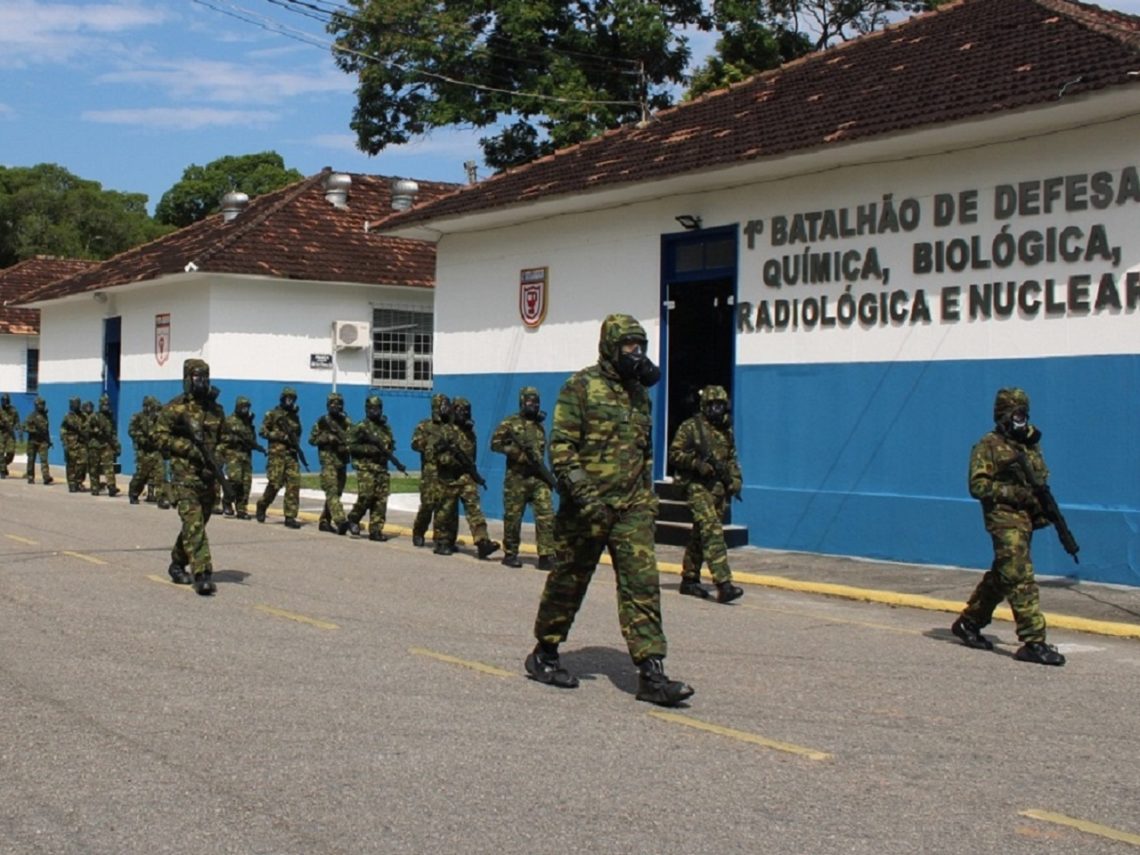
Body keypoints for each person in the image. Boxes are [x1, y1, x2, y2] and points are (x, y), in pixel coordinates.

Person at [525, 313, 694, 706]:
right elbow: (562, 449)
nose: (636, 355)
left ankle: (652, 673)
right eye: (628, 348)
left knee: (642, 587)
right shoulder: (580, 387)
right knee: (569, 581)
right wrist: (584, 495)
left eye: (641, 347)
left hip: (631, 508)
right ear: (609, 348)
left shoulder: (640, 394)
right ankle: (545, 653)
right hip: (586, 508)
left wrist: (648, 501)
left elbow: (643, 451)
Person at [951, 387, 1066, 666]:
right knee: (1020, 574)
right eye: (1016, 413)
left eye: (1024, 413)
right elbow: (978, 486)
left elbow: (1039, 479)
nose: (1021, 418)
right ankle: (1033, 641)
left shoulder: (1028, 444)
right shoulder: (987, 445)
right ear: (1003, 414)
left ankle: (969, 622)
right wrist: (1015, 494)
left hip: (1026, 518)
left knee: (1004, 574)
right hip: (1003, 518)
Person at [154, 358, 225, 596]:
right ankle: (202, 573)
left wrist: (218, 462)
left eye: (205, 377)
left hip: (207, 477)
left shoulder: (216, 410)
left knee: (197, 524)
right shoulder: (175, 408)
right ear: (187, 379)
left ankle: (177, 563)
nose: (201, 382)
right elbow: (160, 438)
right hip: (184, 476)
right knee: (193, 522)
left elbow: (225, 441)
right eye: (196, 378)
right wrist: (188, 449)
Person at [668, 385, 744, 604]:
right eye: (712, 405)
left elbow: (731, 458)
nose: (716, 410)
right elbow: (674, 454)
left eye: (720, 405)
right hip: (696, 486)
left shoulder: (725, 430)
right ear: (704, 406)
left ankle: (689, 579)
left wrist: (735, 480)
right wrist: (696, 464)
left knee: (700, 534)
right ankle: (724, 584)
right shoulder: (691, 427)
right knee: (712, 531)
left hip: (718, 489)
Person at [491, 386, 555, 570]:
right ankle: (510, 553)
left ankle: (546, 555)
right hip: (516, 479)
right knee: (513, 517)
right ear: (522, 402)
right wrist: (514, 452)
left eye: (536, 402)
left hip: (538, 479)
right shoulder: (509, 423)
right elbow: (495, 444)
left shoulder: (540, 427)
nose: (533, 405)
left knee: (546, 516)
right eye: (529, 401)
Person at [439, 396, 500, 559]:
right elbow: (437, 456)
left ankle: (482, 542)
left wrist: (471, 471)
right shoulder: (445, 430)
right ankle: (444, 542)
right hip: (449, 477)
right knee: (447, 511)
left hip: (466, 477)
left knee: (474, 509)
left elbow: (471, 457)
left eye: (467, 411)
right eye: (461, 410)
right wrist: (453, 461)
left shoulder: (470, 433)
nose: (464, 414)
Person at [346, 394, 398, 541]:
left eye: (378, 408)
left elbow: (391, 444)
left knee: (381, 500)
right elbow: (350, 446)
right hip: (366, 468)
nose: (375, 411)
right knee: (366, 495)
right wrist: (370, 450)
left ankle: (376, 530)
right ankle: (354, 518)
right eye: (372, 408)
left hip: (381, 468)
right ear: (367, 409)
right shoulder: (360, 427)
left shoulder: (385, 428)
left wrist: (387, 452)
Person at [256, 386, 304, 529]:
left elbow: (298, 432)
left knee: (294, 484)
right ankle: (262, 504)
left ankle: (290, 516)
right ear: (283, 398)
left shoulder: (294, 416)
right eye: (287, 398)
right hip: (276, 455)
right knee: (275, 483)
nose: (290, 401)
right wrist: (280, 436)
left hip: (291, 455)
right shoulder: (273, 414)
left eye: (292, 399)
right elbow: (262, 431)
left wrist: (295, 443)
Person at [309, 391, 353, 534]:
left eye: (338, 404)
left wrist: (344, 445)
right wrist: (327, 438)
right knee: (332, 492)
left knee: (337, 493)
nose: (336, 406)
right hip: (328, 462)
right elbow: (312, 440)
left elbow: (353, 439)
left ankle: (324, 521)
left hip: (341, 461)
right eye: (332, 404)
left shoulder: (347, 422)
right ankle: (341, 521)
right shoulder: (322, 422)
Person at [410, 393, 450, 548]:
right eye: (442, 405)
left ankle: (440, 537)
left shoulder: (450, 426)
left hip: (446, 471)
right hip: (430, 472)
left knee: (444, 506)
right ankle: (419, 531)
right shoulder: (425, 425)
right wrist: (432, 445)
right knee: (428, 505)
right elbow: (415, 444)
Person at [218, 395, 261, 519]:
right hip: (233, 454)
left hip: (246, 455)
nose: (245, 409)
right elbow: (221, 437)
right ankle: (227, 501)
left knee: (246, 483)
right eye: (242, 407)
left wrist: (252, 443)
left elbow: (253, 439)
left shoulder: (248, 423)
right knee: (235, 480)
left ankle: (241, 508)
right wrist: (235, 439)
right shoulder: (229, 421)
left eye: (247, 407)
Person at [127, 396, 165, 504]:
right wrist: (141, 439)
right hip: (143, 451)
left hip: (156, 450)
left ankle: (161, 497)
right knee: (141, 475)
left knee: (160, 474)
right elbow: (131, 430)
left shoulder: (157, 419)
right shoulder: (138, 417)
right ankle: (134, 493)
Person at [85, 394, 120, 496]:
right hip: (95, 445)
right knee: (94, 467)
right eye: (104, 404)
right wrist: (94, 431)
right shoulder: (94, 417)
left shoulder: (109, 418)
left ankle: (111, 486)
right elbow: (85, 429)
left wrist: (116, 445)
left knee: (109, 466)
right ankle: (95, 487)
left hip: (106, 445)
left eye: (107, 404)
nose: (106, 406)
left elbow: (112, 433)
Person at [22, 397, 53, 485]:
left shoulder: (45, 416)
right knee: (31, 460)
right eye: (40, 404)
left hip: (43, 441)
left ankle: (46, 477)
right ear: (36, 405)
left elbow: (46, 430)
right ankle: (31, 476)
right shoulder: (32, 416)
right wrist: (33, 430)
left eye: (43, 404)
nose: (42, 406)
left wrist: (49, 441)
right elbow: (24, 426)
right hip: (33, 441)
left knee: (44, 460)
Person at [60, 396, 89, 492]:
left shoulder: (83, 416)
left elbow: (87, 427)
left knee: (83, 463)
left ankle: (79, 481)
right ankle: (72, 483)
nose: (76, 405)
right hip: (71, 443)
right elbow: (63, 430)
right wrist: (65, 443)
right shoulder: (67, 416)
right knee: (71, 464)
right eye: (74, 403)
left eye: (78, 403)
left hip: (81, 443)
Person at [0, 393, 19, 478]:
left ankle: (2, 465)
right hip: (1, 433)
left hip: (10, 434)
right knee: (0, 453)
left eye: (6, 400)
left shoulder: (13, 411)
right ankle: (3, 471)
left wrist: (18, 427)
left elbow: (17, 421)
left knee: (11, 453)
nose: (4, 402)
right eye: (3, 400)